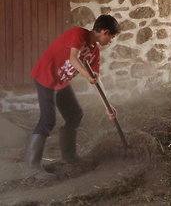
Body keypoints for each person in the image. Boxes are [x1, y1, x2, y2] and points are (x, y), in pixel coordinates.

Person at [26, 14, 121, 180]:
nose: (111, 41)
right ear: (105, 32)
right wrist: (86, 75)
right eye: (111, 37)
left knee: (75, 114)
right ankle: (32, 167)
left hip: (60, 82)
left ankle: (69, 157)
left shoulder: (94, 51)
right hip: (45, 76)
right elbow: (73, 58)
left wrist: (108, 106)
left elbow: (97, 80)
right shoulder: (78, 33)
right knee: (48, 119)